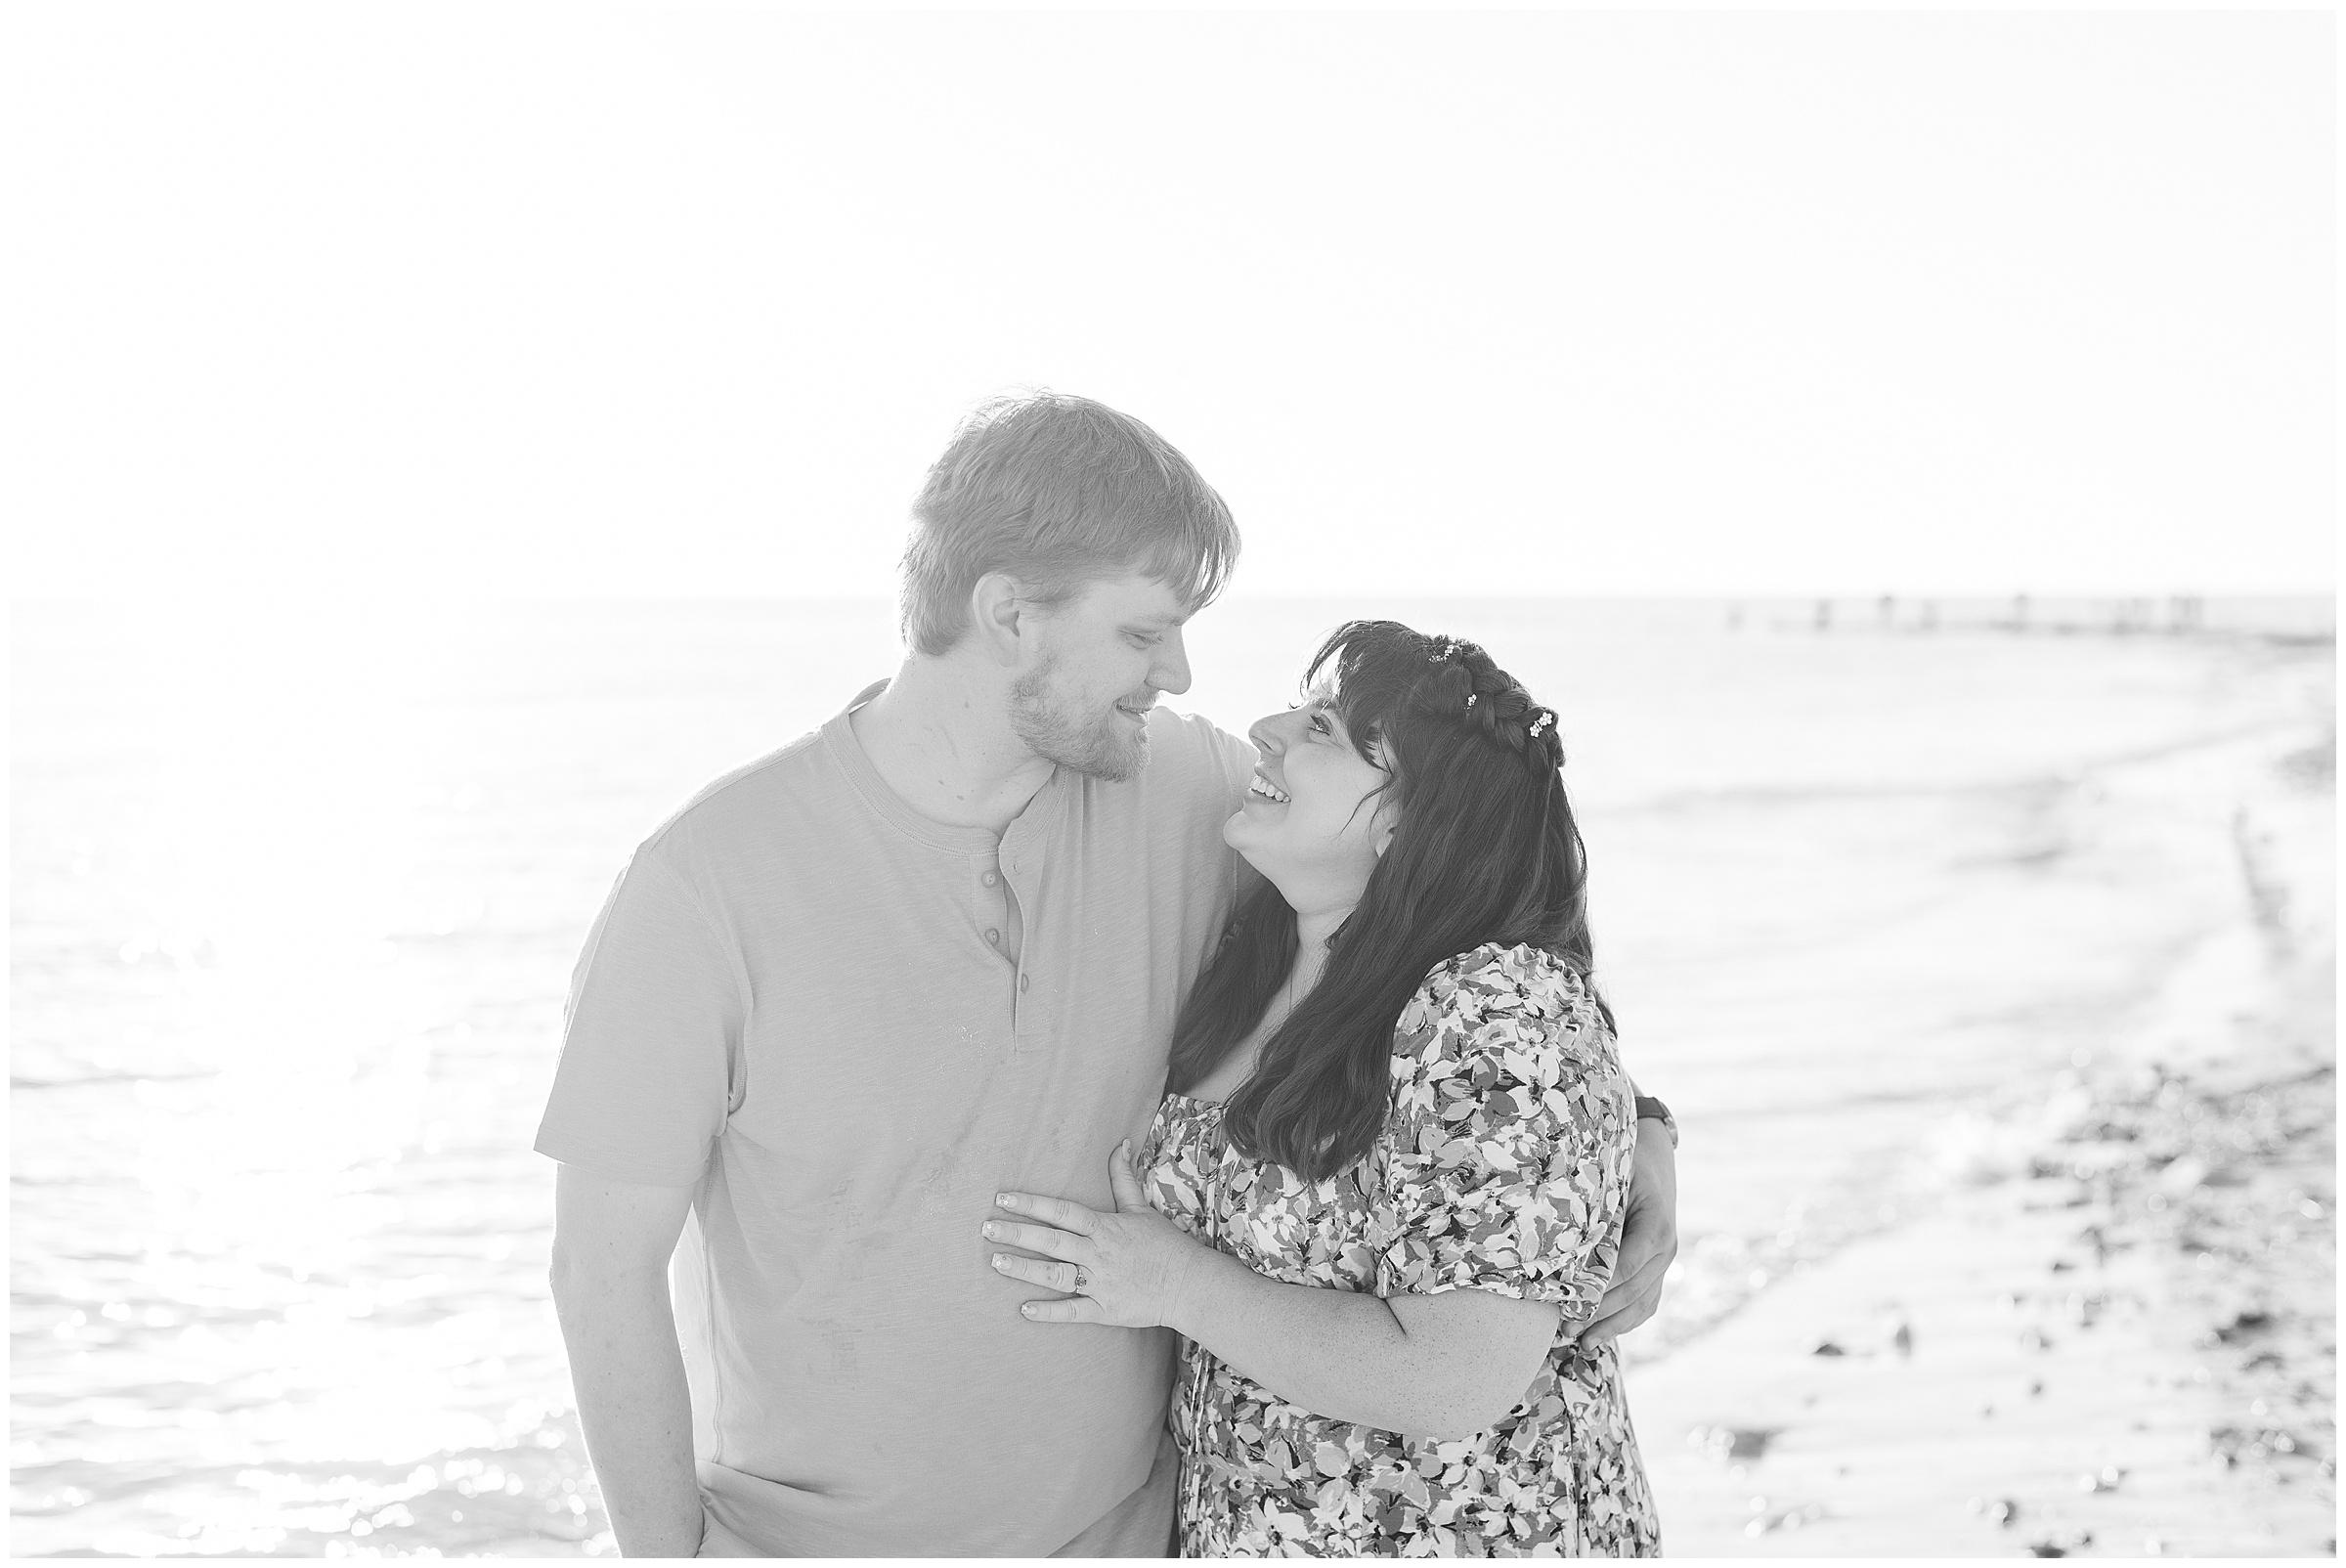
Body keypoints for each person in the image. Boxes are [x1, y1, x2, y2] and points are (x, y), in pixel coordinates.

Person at [538, 393, 1678, 1556]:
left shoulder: (1193, 799)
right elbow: (598, 1268)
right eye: (1143, 633)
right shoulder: (707, 882)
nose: (1180, 673)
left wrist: (1636, 1130)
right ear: (1011, 615)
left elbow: (1462, 905)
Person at [984, 622, 1662, 1555]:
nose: (1265, 729)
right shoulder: (1255, 950)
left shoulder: (1495, 1009)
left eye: (1326, 732)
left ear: (1405, 823)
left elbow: (1453, 1379)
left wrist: (1172, 1281)